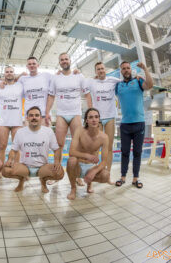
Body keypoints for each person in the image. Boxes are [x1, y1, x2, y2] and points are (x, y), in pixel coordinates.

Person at [45, 52, 91, 185]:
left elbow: (87, 94)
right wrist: (47, 112)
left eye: (66, 59)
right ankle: (56, 173)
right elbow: (51, 96)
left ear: (70, 61)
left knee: (78, 144)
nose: (64, 61)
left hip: (75, 113)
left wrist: (91, 111)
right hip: (61, 114)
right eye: (62, 60)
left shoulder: (78, 75)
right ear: (59, 62)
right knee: (58, 144)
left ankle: (77, 175)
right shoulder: (56, 78)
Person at [2, 106, 64, 193]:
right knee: (5, 170)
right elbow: (13, 150)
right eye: (31, 115)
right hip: (25, 167)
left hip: (42, 167)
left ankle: (43, 181)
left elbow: (56, 150)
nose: (34, 117)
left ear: (41, 118)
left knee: (60, 173)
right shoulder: (20, 132)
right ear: (27, 118)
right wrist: (9, 159)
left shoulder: (48, 131)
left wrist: (57, 161)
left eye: (36, 115)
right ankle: (21, 181)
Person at [115, 61, 153, 189]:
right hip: (125, 124)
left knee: (137, 152)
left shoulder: (138, 81)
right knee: (124, 152)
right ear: (121, 71)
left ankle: (136, 178)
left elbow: (150, 85)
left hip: (139, 123)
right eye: (123, 68)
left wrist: (145, 70)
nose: (126, 70)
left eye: (127, 68)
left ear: (130, 70)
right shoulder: (118, 86)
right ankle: (123, 177)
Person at [86, 62, 121, 185]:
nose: (101, 71)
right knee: (95, 147)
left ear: (105, 69)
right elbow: (80, 83)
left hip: (110, 117)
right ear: (96, 72)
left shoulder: (113, 80)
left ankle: (108, 174)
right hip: (98, 119)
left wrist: (137, 76)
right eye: (98, 69)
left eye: (102, 68)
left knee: (109, 147)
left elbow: (125, 80)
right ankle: (93, 174)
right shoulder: (91, 82)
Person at [67, 108, 111, 200]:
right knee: (71, 160)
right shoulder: (79, 131)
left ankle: (89, 184)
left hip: (91, 167)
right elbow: (71, 152)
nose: (94, 119)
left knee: (106, 175)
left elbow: (104, 162)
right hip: (78, 166)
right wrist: (87, 156)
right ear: (86, 120)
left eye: (96, 117)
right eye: (91, 117)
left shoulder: (104, 137)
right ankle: (73, 189)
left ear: (99, 119)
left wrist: (93, 171)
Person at [0, 66, 24, 163]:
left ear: (14, 73)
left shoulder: (20, 85)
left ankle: (17, 170)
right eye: (7, 72)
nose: (9, 73)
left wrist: (21, 75)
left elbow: (27, 75)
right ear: (4, 74)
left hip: (17, 121)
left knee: (17, 147)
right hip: (3, 121)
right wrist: (0, 81)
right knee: (2, 147)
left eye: (11, 71)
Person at [18, 56, 52, 126]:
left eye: (34, 63)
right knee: (28, 137)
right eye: (29, 64)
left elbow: (59, 78)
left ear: (38, 65)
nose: (32, 65)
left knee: (45, 136)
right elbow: (11, 83)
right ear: (27, 66)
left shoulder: (46, 76)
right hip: (29, 115)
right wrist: (20, 75)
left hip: (43, 114)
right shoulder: (22, 79)